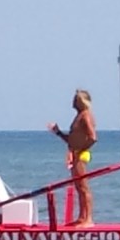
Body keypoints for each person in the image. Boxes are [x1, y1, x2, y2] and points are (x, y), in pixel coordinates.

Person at [47, 89, 96, 227]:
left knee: (84, 187)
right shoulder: (79, 116)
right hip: (74, 153)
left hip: (80, 155)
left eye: (75, 99)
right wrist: (58, 132)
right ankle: (82, 217)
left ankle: (88, 219)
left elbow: (93, 138)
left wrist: (81, 150)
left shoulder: (85, 116)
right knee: (79, 187)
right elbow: (71, 140)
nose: (72, 102)